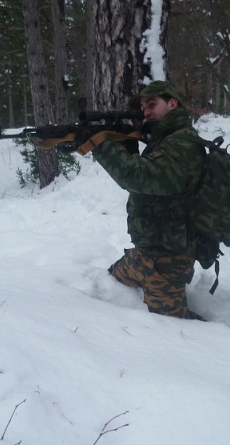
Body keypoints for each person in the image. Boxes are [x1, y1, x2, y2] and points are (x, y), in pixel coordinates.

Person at [76, 81, 206, 320]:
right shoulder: (164, 140)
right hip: (144, 254)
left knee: (175, 329)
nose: (145, 111)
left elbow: (139, 177)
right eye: (144, 106)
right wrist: (127, 148)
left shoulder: (183, 144)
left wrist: (99, 144)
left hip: (168, 261)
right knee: (110, 279)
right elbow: (152, 185)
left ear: (172, 103)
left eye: (152, 104)